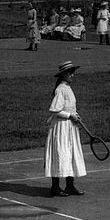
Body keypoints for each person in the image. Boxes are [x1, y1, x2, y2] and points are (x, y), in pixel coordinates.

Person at [44, 61, 86, 197]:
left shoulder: (68, 88)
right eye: (70, 73)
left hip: (69, 127)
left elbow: (69, 108)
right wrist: (70, 116)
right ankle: (55, 187)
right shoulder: (61, 89)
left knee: (71, 154)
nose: (72, 75)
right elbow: (55, 110)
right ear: (63, 75)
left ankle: (69, 186)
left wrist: (75, 115)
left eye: (73, 72)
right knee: (60, 154)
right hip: (61, 127)